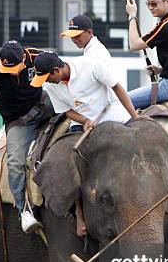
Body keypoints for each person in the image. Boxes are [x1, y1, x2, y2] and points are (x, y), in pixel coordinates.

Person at [30, 51, 140, 235]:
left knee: (137, 151)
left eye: (47, 77)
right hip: (82, 123)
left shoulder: (91, 65)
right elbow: (66, 111)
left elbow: (117, 88)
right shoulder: (52, 87)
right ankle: (80, 214)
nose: (46, 82)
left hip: (111, 114)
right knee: (73, 162)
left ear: (57, 70)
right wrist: (84, 121)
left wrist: (135, 117)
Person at [0, 40, 54, 233]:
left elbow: (62, 72)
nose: (12, 72)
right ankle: (24, 211)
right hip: (18, 121)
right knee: (15, 162)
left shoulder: (37, 56)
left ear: (24, 59)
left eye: (15, 68)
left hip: (44, 104)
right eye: (7, 69)